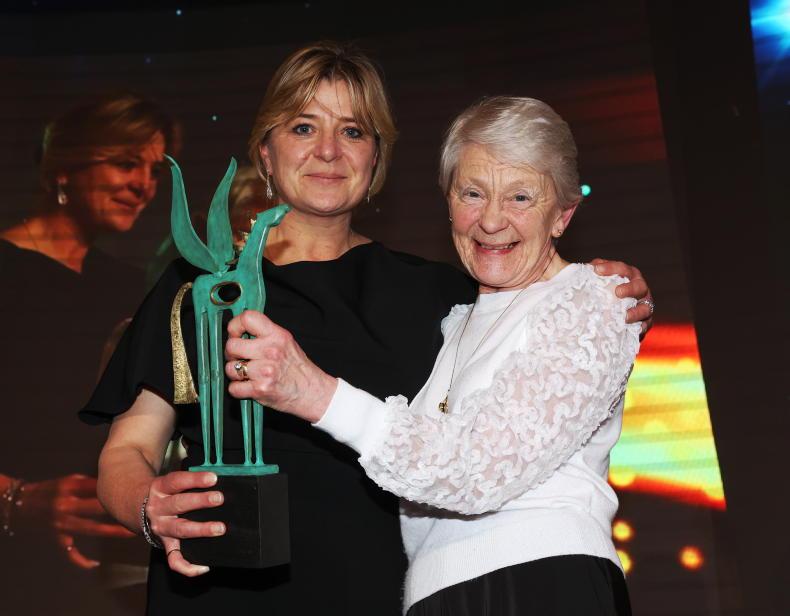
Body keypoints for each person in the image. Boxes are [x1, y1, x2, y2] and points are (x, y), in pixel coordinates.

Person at [81, 42, 652, 615]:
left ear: (376, 157)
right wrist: (148, 508)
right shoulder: (203, 286)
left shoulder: (445, 295)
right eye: (303, 127)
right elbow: (127, 450)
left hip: (383, 592)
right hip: (217, 589)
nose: (328, 150)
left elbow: (535, 345)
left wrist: (600, 290)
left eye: (352, 131)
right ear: (266, 152)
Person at [224, 96, 641, 615]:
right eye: (473, 193)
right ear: (447, 200)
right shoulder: (451, 320)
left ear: (562, 214)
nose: (491, 220)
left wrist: (313, 392)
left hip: (541, 582)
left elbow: (476, 471)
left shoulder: (593, 299)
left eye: (520, 197)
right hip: (435, 596)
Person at [0, 92, 176, 615]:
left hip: (114, 563)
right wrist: (16, 501)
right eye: (125, 163)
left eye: (154, 171)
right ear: (63, 166)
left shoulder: (131, 285)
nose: (144, 185)